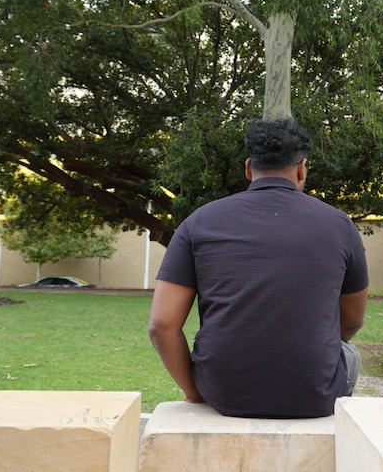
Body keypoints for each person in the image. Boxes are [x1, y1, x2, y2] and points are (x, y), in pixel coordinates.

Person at [148, 117, 369, 418]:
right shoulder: (340, 226)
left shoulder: (199, 222)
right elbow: (352, 321)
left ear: (249, 168)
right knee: (350, 355)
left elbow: (162, 325)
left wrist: (195, 392)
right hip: (315, 395)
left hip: (222, 391)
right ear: (303, 169)